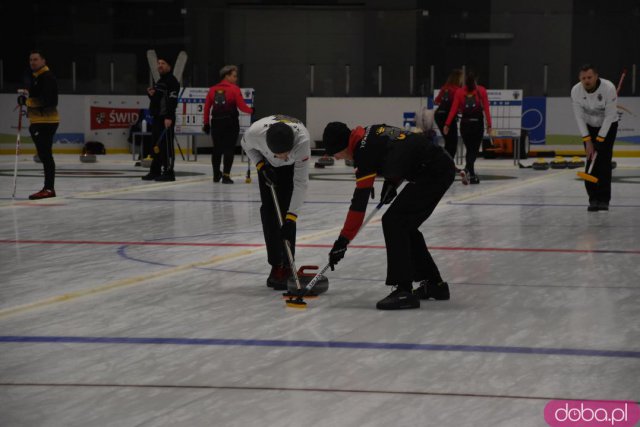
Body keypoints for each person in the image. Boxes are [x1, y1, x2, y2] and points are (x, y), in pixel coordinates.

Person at [322, 122, 455, 310]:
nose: (335, 157)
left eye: (334, 152)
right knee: (404, 224)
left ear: (342, 146)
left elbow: (358, 206)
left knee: (394, 222)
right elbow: (399, 148)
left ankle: (403, 290)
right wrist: (392, 182)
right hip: (433, 166)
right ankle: (435, 285)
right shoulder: (369, 133)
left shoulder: (363, 154)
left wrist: (342, 241)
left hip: (434, 172)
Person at [241, 116, 311, 289]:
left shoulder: (302, 141)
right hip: (267, 166)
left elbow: (301, 183)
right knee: (269, 213)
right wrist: (260, 166)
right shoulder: (254, 134)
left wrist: (291, 218)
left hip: (291, 168)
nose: (282, 157)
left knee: (287, 212)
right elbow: (246, 146)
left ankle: (288, 265)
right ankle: (276, 266)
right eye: (278, 154)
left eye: (285, 153)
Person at [571, 64, 619, 212]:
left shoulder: (608, 88)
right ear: (580, 78)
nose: (586, 80)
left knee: (604, 161)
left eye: (589, 77)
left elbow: (610, 115)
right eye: (583, 78)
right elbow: (579, 117)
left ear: (596, 76)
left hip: (608, 125)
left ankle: (604, 200)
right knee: (591, 159)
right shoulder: (575, 91)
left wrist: (600, 140)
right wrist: (588, 141)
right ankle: (593, 199)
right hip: (589, 126)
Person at [18, 50, 59, 200]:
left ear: (43, 61)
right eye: (30, 60)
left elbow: (49, 101)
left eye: (35, 59)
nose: (32, 62)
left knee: (45, 155)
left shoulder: (47, 77)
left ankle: (49, 188)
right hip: (39, 121)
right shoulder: (36, 77)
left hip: (46, 121)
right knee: (44, 154)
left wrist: (28, 102)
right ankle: (48, 188)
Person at [203, 65, 254, 184]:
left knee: (217, 148)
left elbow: (206, 108)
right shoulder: (234, 89)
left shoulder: (212, 89)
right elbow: (242, 107)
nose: (236, 79)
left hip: (216, 122)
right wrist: (252, 110)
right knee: (229, 148)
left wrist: (206, 123)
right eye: (234, 76)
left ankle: (216, 175)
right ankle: (226, 176)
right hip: (231, 122)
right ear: (227, 76)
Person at [443, 71, 492, 184]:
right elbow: (486, 109)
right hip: (477, 124)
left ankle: (472, 176)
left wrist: (447, 124)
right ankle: (466, 169)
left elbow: (454, 109)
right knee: (473, 151)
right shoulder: (481, 91)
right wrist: (489, 125)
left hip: (465, 125)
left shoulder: (459, 92)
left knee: (469, 149)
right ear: (475, 80)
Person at [141, 56, 180, 182]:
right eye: (158, 63)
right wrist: (151, 94)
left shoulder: (172, 81)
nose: (159, 65)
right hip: (157, 118)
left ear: (169, 66)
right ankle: (155, 170)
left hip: (166, 118)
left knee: (166, 146)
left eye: (163, 63)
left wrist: (169, 117)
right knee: (156, 146)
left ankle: (169, 172)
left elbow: (172, 101)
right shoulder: (160, 81)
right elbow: (158, 101)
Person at [434, 69, 463, 159]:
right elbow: (460, 106)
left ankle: (445, 162)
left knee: (448, 141)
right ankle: (448, 164)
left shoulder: (445, 88)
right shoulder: (457, 90)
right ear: (458, 79)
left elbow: (436, 101)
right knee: (453, 142)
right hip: (448, 116)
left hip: (439, 115)